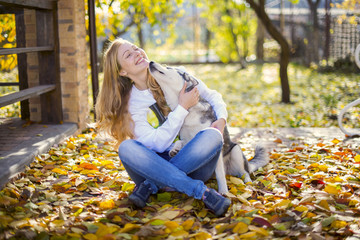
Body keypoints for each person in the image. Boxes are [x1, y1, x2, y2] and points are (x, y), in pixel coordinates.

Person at [95, 38, 231, 217]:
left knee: (213, 135)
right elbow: (157, 145)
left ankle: (151, 186)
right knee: (127, 147)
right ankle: (200, 191)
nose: (137, 53)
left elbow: (212, 96)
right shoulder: (131, 104)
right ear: (122, 71)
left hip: (192, 163)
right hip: (151, 165)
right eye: (128, 54)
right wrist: (182, 107)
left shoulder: (174, 74)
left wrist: (221, 119)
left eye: (136, 48)